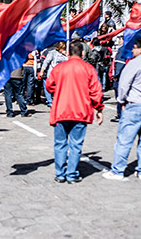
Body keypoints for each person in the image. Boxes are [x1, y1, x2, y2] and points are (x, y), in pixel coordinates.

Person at [103, 39, 141, 180]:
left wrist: (121, 100)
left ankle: (117, 171)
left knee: (124, 139)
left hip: (135, 104)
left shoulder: (135, 63)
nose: (133, 51)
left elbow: (124, 84)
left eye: (135, 48)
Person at [46, 41, 104, 184]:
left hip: (61, 110)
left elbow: (49, 85)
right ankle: (71, 174)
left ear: (68, 52)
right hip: (80, 111)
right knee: (76, 144)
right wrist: (99, 109)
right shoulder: (88, 68)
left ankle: (60, 173)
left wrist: (59, 90)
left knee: (60, 144)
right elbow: (96, 91)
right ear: (82, 53)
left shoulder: (59, 68)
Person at [38, 42, 68, 107]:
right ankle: (50, 102)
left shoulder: (65, 54)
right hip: (52, 73)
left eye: (64, 48)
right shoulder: (52, 53)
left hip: (62, 74)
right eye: (62, 48)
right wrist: (42, 71)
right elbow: (46, 62)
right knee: (48, 87)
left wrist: (66, 55)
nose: (63, 50)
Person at [110, 36, 126, 123]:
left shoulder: (121, 50)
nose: (119, 41)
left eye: (120, 39)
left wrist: (116, 75)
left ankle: (120, 114)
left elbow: (119, 63)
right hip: (124, 76)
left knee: (119, 96)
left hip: (120, 77)